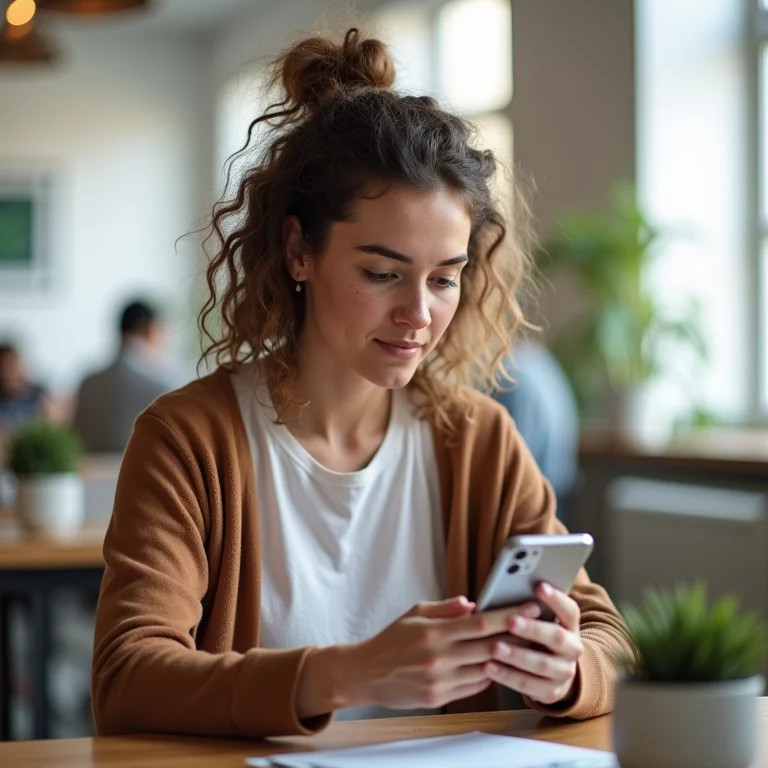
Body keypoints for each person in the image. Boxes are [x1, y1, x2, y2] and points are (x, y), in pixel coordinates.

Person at [91, 29, 633, 738]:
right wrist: (348, 672)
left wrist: (567, 669)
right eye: (382, 274)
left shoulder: (475, 439)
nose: (418, 314)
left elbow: (610, 641)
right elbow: (126, 675)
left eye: (445, 278)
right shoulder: (190, 439)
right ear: (297, 251)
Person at [72, 300, 180, 453]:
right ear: (152, 330)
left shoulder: (87, 383)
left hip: (88, 473)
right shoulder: (165, 387)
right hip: (140, 474)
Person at [492, 339, 580, 522]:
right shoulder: (542, 362)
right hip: (557, 490)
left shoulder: (509, 373)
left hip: (529, 501)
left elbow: (511, 461)